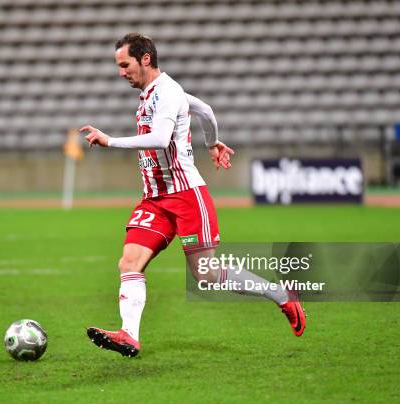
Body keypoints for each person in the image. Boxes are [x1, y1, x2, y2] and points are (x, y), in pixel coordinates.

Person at [80, 33, 305, 358]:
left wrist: (110, 141)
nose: (121, 72)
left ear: (145, 59)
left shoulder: (168, 92)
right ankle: (129, 335)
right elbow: (205, 110)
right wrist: (212, 142)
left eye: (125, 64)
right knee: (129, 262)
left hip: (186, 195)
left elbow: (159, 139)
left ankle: (281, 294)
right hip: (155, 200)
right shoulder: (154, 93)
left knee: (206, 275)